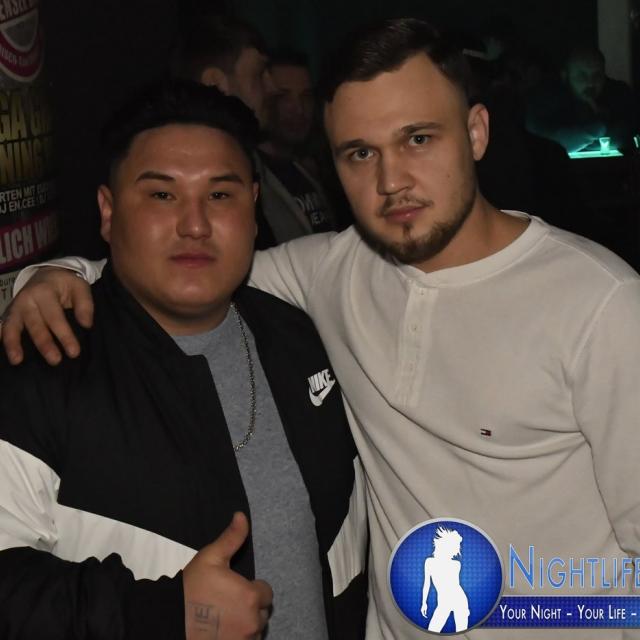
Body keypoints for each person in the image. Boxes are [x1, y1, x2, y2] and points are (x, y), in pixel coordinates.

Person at [3, 18, 640, 640]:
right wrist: (56, 273)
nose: (391, 181)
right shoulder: (332, 273)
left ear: (476, 132)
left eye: (419, 138)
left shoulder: (601, 304)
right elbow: (186, 267)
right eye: (361, 153)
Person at [0, 81, 367, 639]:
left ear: (253, 208)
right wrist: (166, 614)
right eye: (162, 195)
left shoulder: (303, 338)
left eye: (219, 195)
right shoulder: (44, 360)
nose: (194, 224)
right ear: (108, 212)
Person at [177, 13, 336, 247]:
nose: (272, 88)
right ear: (215, 84)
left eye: (306, 97)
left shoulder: (264, 167)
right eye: (259, 74)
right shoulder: (199, 175)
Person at [525, 45, 639, 153]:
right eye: (582, 76)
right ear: (565, 76)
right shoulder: (546, 97)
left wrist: (576, 139)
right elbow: (543, 142)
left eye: (597, 75)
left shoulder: (619, 93)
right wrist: (599, 128)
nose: (590, 83)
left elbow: (625, 136)